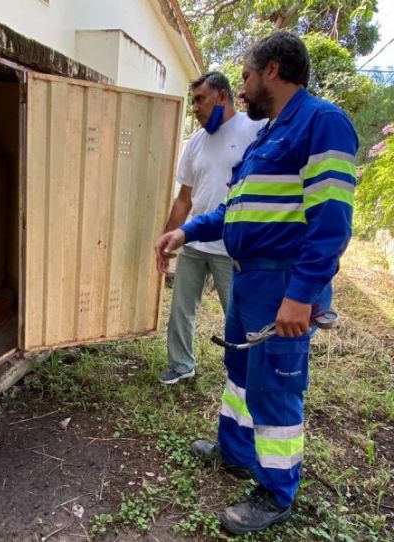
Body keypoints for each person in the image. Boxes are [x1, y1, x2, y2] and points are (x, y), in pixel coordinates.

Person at [155, 32, 358, 535]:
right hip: (248, 282)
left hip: (281, 283)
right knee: (241, 373)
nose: (241, 87)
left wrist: (301, 295)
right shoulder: (267, 136)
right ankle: (235, 450)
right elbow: (236, 212)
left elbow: (331, 223)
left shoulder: (322, 123)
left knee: (275, 389)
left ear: (272, 69)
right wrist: (186, 229)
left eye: (245, 75)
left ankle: (276, 491)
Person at [158, 72, 265, 385]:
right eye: (193, 101)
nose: (195, 107)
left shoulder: (254, 128)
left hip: (231, 246)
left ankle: (247, 374)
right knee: (181, 310)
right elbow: (183, 199)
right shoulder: (196, 143)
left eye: (200, 99)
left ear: (222, 96)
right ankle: (181, 365)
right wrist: (168, 240)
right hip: (194, 240)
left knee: (239, 314)